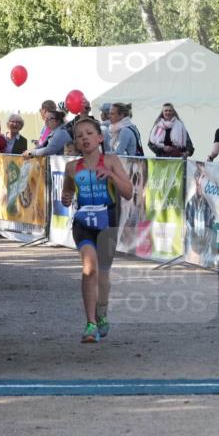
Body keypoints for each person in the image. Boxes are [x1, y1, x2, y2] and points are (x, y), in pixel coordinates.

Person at [60, 118, 134, 342]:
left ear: (100, 138)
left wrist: (110, 175)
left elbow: (128, 192)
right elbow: (67, 194)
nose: (84, 137)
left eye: (89, 133)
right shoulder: (71, 167)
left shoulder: (110, 161)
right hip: (83, 224)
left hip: (107, 224)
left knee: (102, 274)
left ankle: (102, 312)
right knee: (89, 268)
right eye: (79, 135)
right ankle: (90, 323)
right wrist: (66, 198)